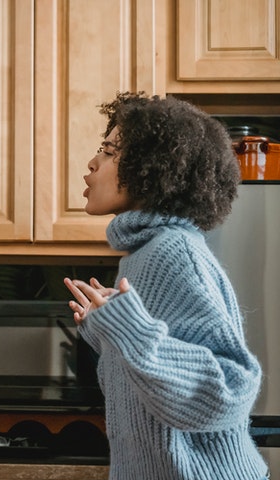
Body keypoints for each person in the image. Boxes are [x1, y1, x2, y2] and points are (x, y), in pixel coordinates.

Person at [63, 92, 268, 479]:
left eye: (109, 151)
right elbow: (149, 394)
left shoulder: (173, 251)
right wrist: (108, 331)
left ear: (152, 167)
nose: (92, 162)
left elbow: (231, 392)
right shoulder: (140, 254)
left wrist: (131, 331)